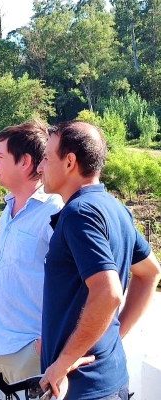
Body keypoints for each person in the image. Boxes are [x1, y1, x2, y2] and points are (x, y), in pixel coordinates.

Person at [37, 121, 161, 399]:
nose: (40, 167)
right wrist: (111, 337)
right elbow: (150, 272)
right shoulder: (113, 207)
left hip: (84, 387)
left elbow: (107, 292)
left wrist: (64, 361)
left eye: (46, 157)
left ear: (69, 162)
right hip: (108, 378)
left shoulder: (79, 213)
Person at [0, 121, 63, 390]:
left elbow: (81, 283)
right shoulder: (9, 207)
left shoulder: (55, 213)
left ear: (25, 162)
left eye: (0, 156)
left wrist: (50, 337)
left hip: (30, 349)